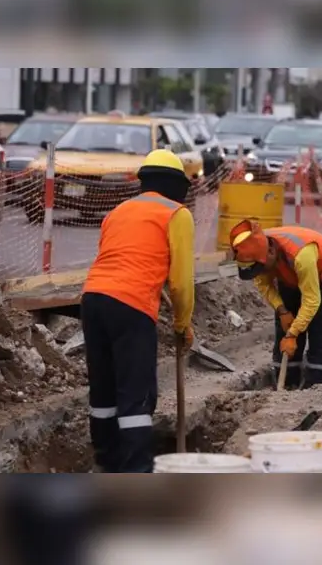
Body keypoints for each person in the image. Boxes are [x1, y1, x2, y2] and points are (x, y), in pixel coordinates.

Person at [80, 149, 195, 473]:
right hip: (131, 306)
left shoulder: (118, 211)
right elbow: (182, 283)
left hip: (93, 299)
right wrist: (182, 324)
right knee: (135, 397)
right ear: (176, 184)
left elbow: (114, 258)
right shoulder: (177, 213)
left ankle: (106, 464)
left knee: (103, 391)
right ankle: (137, 471)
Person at [229, 219, 322, 390]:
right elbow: (264, 285)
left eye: (261, 269)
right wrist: (282, 310)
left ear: (271, 252)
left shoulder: (301, 255)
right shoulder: (258, 253)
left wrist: (293, 334)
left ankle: (315, 385)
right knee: (284, 330)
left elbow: (312, 300)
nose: (261, 273)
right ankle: (288, 384)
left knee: (320, 329)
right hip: (289, 276)